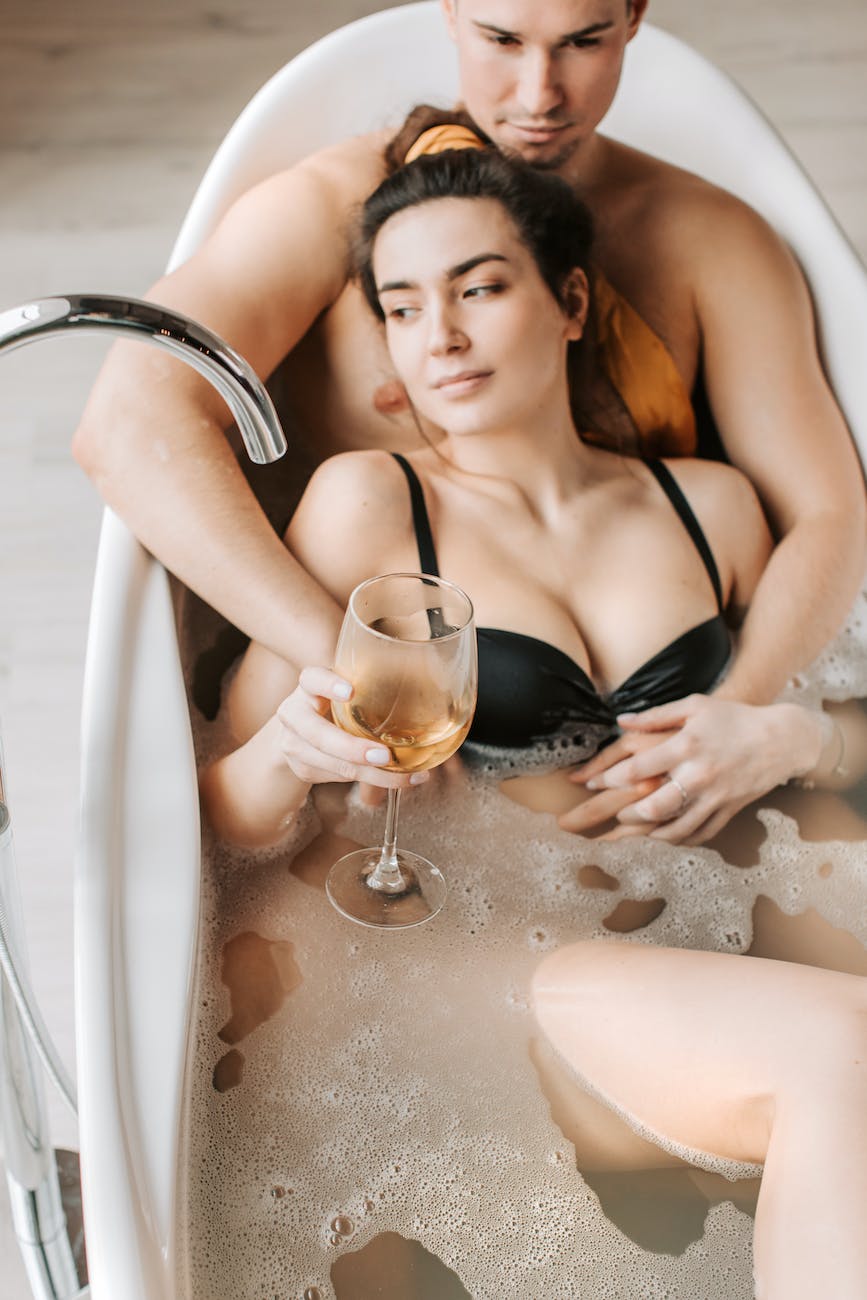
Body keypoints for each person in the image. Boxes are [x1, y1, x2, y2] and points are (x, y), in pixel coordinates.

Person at [198, 147, 867, 1299]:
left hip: (719, 919)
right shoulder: (373, 504)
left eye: (479, 287)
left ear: (569, 303)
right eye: (402, 309)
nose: (441, 335)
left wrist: (793, 738)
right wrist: (286, 752)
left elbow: (841, 727)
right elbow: (216, 814)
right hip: (493, 956)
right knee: (845, 1049)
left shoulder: (710, 507)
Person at [71, 0, 866, 842]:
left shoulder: (710, 240)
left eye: (582, 41)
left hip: (668, 693)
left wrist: (740, 721)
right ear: (450, 11)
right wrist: (360, 671)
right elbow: (130, 426)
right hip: (421, 757)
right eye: (501, 40)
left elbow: (825, 510)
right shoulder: (330, 210)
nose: (539, 93)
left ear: (633, 16)